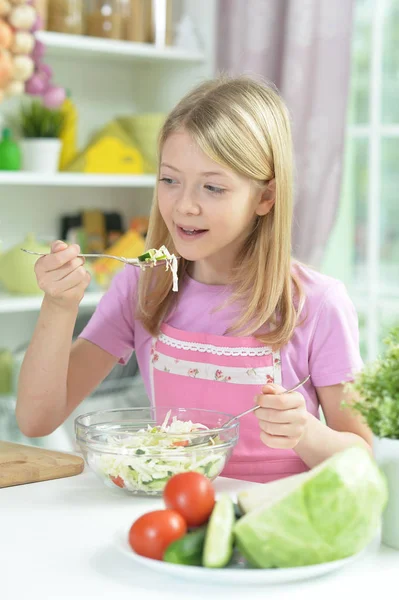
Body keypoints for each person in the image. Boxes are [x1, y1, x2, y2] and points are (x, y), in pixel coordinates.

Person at [16, 75, 372, 483]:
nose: (184, 205)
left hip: (271, 522)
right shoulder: (141, 287)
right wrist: (59, 305)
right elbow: (37, 419)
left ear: (265, 197)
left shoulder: (317, 303)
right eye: (170, 180)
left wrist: (307, 433)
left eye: (213, 188)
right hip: (170, 513)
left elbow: (361, 457)